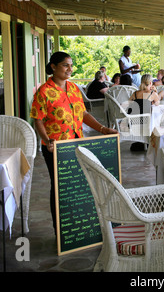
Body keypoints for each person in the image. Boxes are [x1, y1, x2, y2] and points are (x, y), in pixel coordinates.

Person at [30, 51, 118, 233]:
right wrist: (46, 140)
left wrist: (102, 129)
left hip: (77, 144)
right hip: (55, 147)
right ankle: (61, 232)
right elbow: (37, 119)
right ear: (53, 67)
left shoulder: (73, 88)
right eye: (65, 65)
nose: (70, 69)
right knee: (60, 187)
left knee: (80, 183)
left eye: (71, 65)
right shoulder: (44, 92)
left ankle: (80, 225)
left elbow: (84, 114)